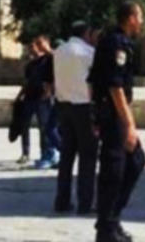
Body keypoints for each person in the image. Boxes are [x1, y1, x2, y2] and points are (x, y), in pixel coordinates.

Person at [89, 2, 145, 242]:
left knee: (133, 163)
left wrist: (94, 113)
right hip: (113, 116)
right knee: (115, 170)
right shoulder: (116, 43)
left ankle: (110, 221)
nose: (142, 22)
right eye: (140, 16)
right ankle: (106, 228)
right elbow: (115, 87)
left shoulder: (114, 40)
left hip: (108, 113)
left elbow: (94, 80)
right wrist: (129, 125)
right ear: (131, 18)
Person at [53, 20, 98, 214]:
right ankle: (85, 203)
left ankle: (62, 201)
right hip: (84, 108)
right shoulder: (88, 54)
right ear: (86, 33)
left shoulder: (59, 52)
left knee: (66, 157)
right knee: (87, 158)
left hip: (64, 107)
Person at [17, 35, 61, 169]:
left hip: (43, 99)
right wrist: (20, 96)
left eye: (38, 44)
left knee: (45, 128)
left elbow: (56, 59)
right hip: (30, 98)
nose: (35, 48)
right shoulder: (31, 65)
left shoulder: (48, 59)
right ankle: (27, 152)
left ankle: (48, 154)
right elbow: (27, 82)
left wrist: (47, 49)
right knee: (25, 126)